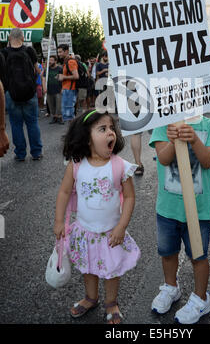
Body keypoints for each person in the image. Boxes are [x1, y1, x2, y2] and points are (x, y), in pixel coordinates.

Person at [54, 110, 140, 323]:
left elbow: (129, 197)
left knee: (111, 270)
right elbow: (64, 192)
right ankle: (90, 298)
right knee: (88, 266)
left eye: (112, 128)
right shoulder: (76, 164)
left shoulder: (120, 166)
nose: (110, 132)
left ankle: (111, 302)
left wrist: (121, 226)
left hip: (111, 232)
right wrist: (58, 221)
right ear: (86, 137)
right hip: (85, 231)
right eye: (103, 129)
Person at [149, 116, 210, 324]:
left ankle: (201, 298)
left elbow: (208, 161)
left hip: (198, 210)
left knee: (198, 255)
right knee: (167, 252)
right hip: (168, 208)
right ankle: (171, 287)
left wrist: (194, 140)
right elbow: (163, 159)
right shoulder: (163, 124)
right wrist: (173, 141)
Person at [1, 29, 43, 161]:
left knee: (16, 124)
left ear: (9, 38)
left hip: (11, 94)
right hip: (30, 93)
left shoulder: (3, 53)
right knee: (32, 122)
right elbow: (38, 70)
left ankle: (20, 154)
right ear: (23, 38)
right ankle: (36, 153)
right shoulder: (29, 51)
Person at [57, 44, 79, 123]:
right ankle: (72, 133)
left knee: (69, 114)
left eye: (60, 52)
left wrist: (63, 77)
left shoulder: (71, 62)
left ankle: (73, 133)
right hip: (67, 89)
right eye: (58, 52)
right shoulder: (67, 62)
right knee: (68, 114)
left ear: (66, 51)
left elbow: (76, 76)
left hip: (70, 90)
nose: (59, 54)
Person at [42, 55, 63, 124]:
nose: (49, 62)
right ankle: (54, 117)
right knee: (51, 105)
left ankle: (59, 118)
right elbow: (43, 78)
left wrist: (62, 88)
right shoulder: (47, 69)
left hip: (58, 90)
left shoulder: (60, 68)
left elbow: (62, 79)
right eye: (49, 60)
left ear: (55, 61)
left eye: (51, 60)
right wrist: (44, 88)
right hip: (49, 90)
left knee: (58, 105)